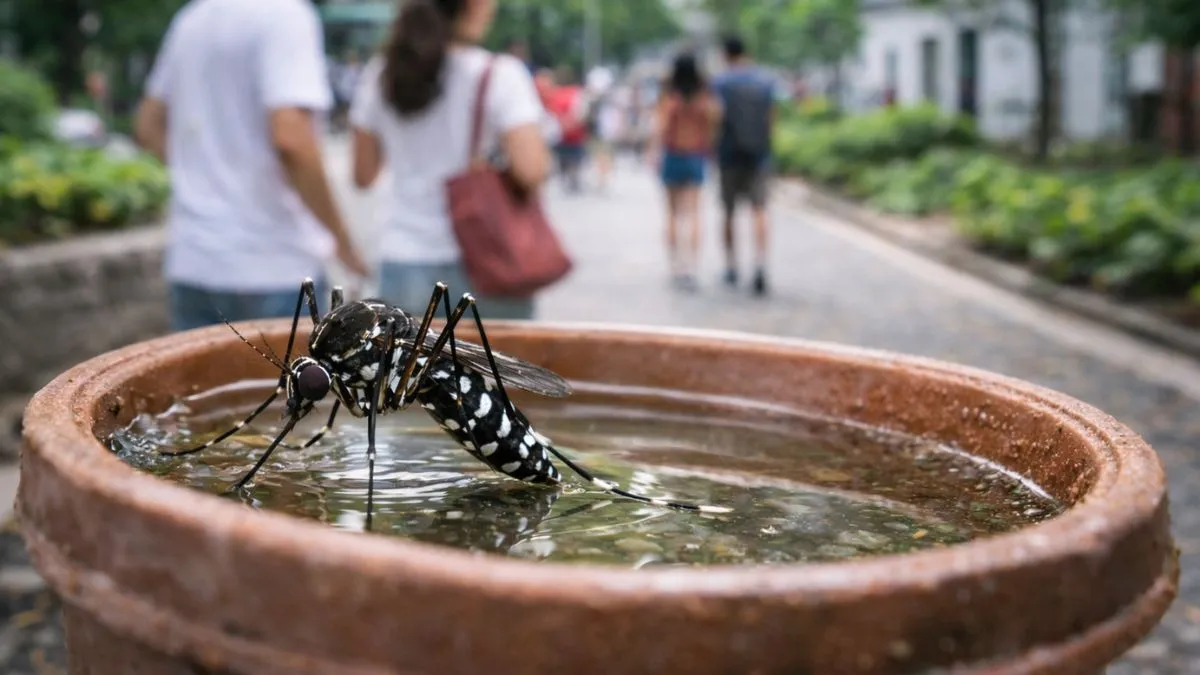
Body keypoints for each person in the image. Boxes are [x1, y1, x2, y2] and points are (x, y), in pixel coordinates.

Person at [134, 0, 368, 332]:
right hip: (273, 265)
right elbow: (292, 140)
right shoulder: (285, 14)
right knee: (284, 384)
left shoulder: (191, 19)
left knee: (204, 385)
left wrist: (204, 173)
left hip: (193, 261)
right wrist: (343, 244)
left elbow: (148, 124)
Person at [348, 0, 552, 320]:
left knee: (411, 370)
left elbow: (363, 175)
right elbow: (532, 170)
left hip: (402, 258)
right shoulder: (499, 74)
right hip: (486, 261)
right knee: (495, 369)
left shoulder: (381, 74)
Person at [712, 35, 777, 296]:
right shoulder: (765, 80)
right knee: (759, 210)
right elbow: (771, 118)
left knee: (728, 213)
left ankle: (732, 266)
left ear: (725, 54)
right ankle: (760, 265)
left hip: (729, 155)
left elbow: (715, 118)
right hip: (758, 155)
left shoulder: (720, 82)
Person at [649, 53, 720, 291]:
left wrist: (653, 153)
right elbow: (713, 124)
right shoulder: (704, 98)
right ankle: (691, 266)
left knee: (671, 213)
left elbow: (659, 128)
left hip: (673, 155)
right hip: (696, 156)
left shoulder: (669, 97)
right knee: (693, 213)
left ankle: (675, 265)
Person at [545, 66, 589, 193]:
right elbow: (582, 113)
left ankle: (565, 178)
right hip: (575, 133)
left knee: (562, 157)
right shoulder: (577, 93)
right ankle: (573, 179)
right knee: (575, 158)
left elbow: (550, 112)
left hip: (560, 133)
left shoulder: (554, 93)